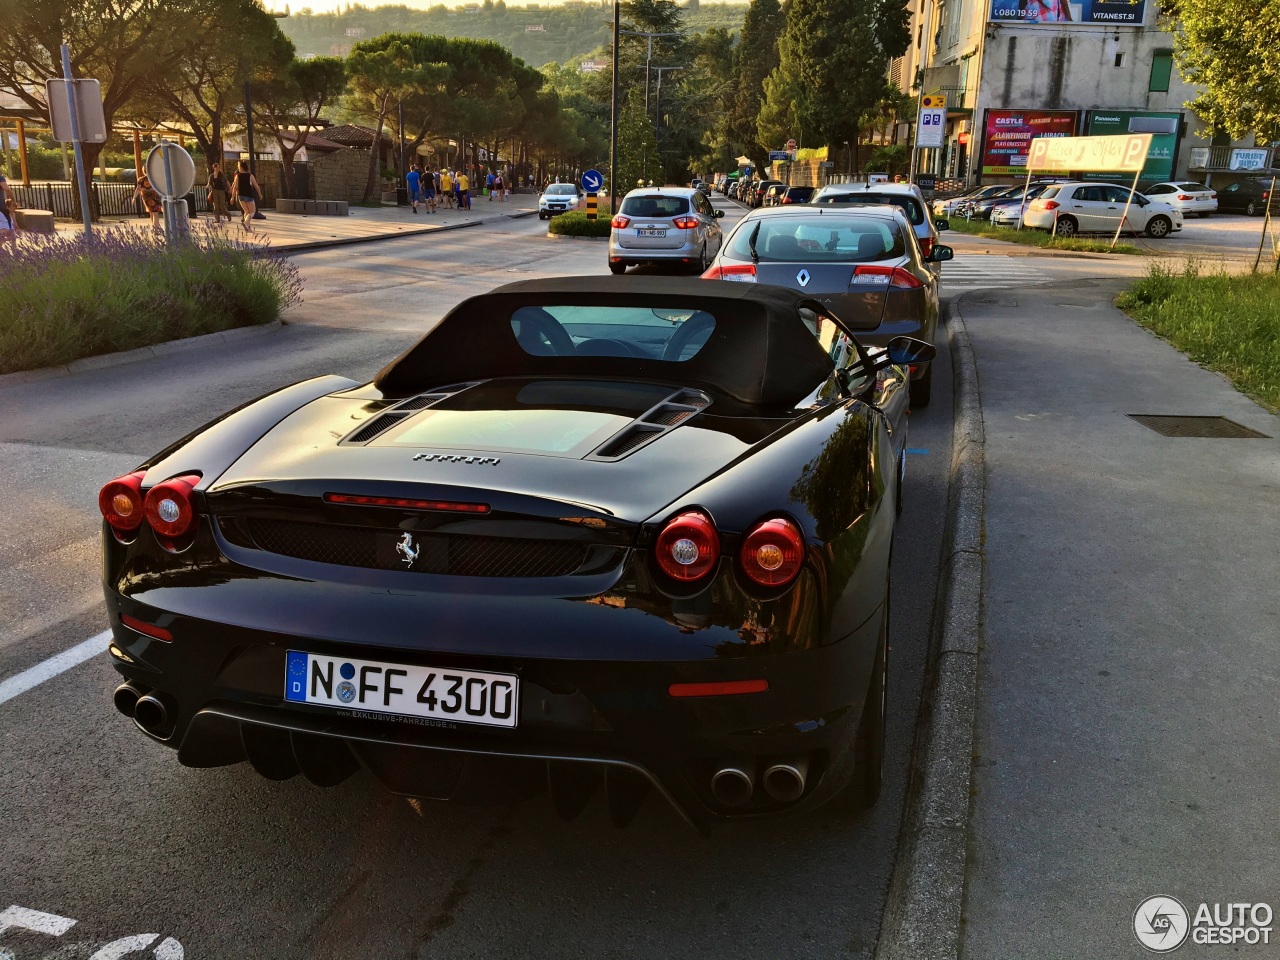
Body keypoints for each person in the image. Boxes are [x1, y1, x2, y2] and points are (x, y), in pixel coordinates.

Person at [230, 159, 262, 234]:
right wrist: (260, 194)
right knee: (252, 212)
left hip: (240, 196)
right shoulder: (250, 176)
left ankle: (248, 228)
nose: (238, 167)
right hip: (249, 196)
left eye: (238, 166)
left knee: (246, 212)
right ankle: (245, 223)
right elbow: (256, 186)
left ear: (241, 167)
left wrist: (233, 197)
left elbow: (235, 187)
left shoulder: (237, 176)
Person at [0, 173, 16, 243]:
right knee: (7, 230)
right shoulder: (0, 178)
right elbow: (7, 189)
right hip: (1, 209)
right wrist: (13, 200)